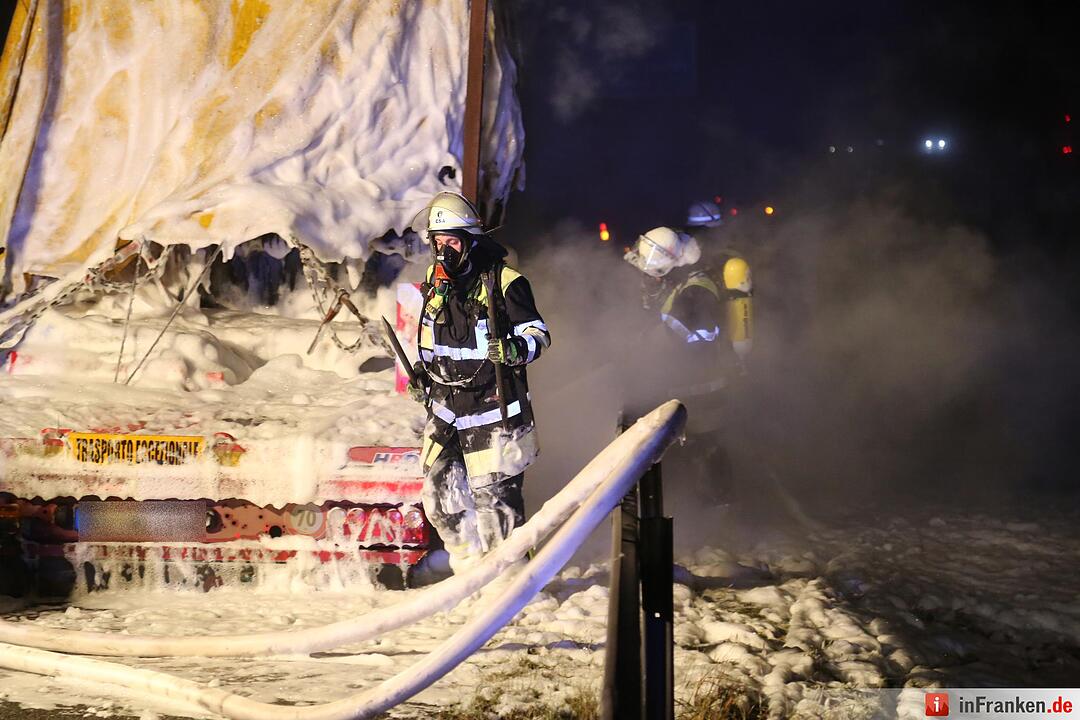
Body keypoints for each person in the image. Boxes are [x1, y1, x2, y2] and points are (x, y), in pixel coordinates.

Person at [407, 191, 551, 571]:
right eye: (437, 243)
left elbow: (539, 335)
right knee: (439, 499)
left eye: (451, 242)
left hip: (492, 410)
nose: (443, 252)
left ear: (470, 241)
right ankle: (469, 573)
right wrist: (424, 375)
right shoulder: (434, 280)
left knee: (496, 510)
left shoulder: (506, 282)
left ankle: (510, 585)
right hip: (447, 410)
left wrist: (515, 348)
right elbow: (430, 337)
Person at [622, 225, 752, 507]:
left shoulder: (698, 287)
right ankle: (703, 507)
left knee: (706, 448)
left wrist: (652, 336)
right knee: (693, 449)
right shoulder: (680, 283)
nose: (647, 278)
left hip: (704, 387)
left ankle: (720, 511)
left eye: (652, 273)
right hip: (688, 385)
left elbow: (700, 334)